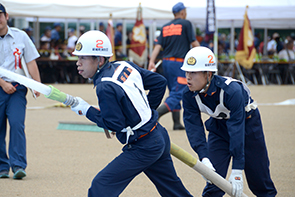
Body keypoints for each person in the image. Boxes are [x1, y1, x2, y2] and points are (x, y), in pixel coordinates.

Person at [70, 30, 193, 197]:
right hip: (158, 134)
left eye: (83, 58)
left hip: (143, 145)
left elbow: (115, 125)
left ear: (99, 60)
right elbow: (159, 82)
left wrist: (85, 109)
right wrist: (144, 115)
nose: (78, 63)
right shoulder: (124, 65)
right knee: (174, 192)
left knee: (101, 186)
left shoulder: (104, 86)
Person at [181, 46, 277, 197]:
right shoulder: (188, 94)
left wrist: (237, 169)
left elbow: (237, 128)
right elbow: (193, 127)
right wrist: (203, 157)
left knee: (259, 180)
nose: (188, 77)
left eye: (193, 72)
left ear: (208, 73)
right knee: (214, 181)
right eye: (186, 71)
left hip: (247, 126)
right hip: (219, 128)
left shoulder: (232, 91)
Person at [0, 3, 41, 179]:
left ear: (6, 16)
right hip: (0, 87)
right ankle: (2, 167)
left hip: (17, 89)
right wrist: (2, 83)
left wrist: (37, 84)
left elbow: (30, 61)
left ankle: (18, 165)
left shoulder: (20, 36)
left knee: (17, 124)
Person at [148, 2, 200, 130]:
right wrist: (204, 55)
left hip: (166, 63)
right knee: (180, 92)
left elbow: (158, 46)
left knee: (173, 91)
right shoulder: (186, 24)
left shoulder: (165, 27)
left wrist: (151, 61)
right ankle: (155, 114)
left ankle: (176, 123)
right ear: (182, 12)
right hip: (179, 63)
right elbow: (194, 42)